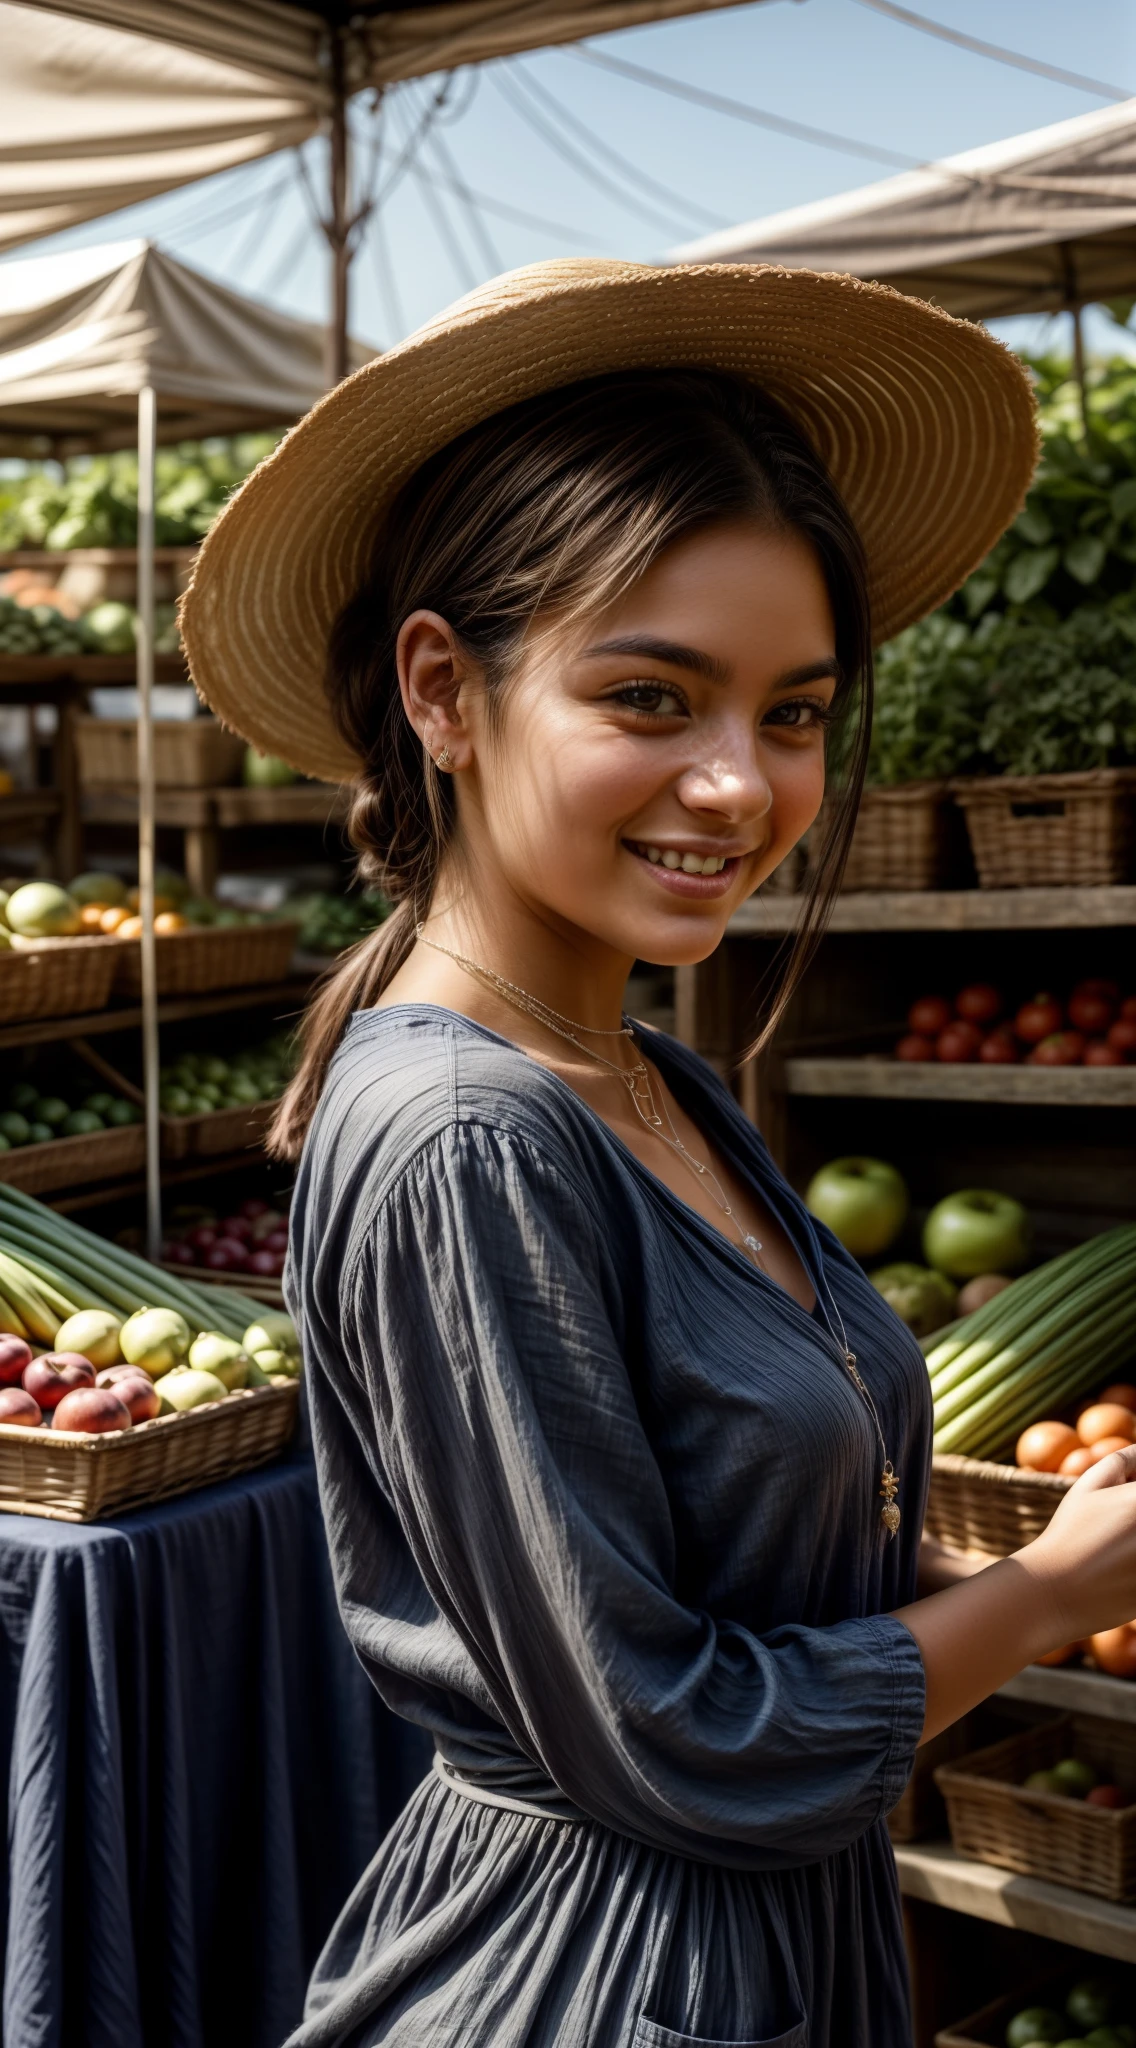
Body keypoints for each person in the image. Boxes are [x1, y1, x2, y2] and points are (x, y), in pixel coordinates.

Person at [182, 261, 1136, 2048]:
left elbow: (729, 1568)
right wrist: (1046, 1596)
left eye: (791, 712)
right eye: (648, 698)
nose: (739, 787)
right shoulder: (469, 1133)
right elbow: (669, 1728)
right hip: (607, 1979)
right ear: (445, 691)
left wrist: (1019, 1573)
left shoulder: (646, 1074)